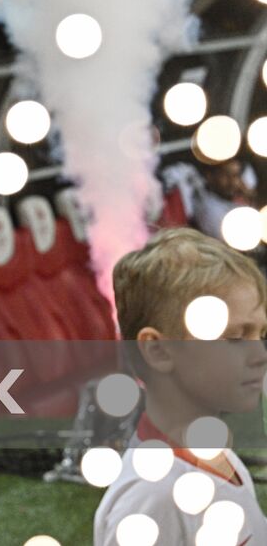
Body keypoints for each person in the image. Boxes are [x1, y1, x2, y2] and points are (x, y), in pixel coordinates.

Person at [93, 228, 267, 545]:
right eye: (235, 337)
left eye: (261, 334)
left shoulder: (213, 455)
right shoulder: (153, 498)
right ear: (158, 350)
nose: (259, 354)